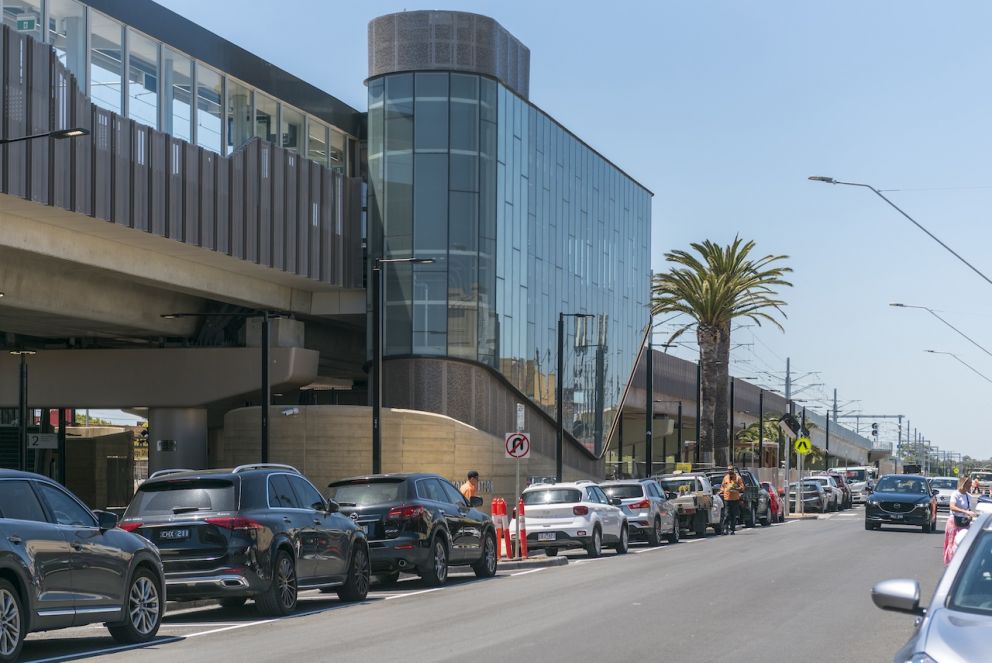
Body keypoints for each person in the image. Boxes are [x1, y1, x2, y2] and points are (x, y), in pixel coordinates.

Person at [944, 476, 978, 565]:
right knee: (952, 543)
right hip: (954, 521)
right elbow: (952, 507)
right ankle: (951, 564)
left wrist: (970, 515)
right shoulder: (955, 494)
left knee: (965, 542)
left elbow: (969, 510)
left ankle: (961, 562)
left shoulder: (969, 496)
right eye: (969, 483)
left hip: (964, 522)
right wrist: (964, 511)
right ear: (964, 483)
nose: (971, 485)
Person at [721, 466, 744, 535]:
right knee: (726, 515)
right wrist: (721, 491)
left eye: (731, 470)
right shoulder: (725, 478)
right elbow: (722, 487)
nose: (730, 471)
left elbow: (742, 487)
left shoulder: (738, 478)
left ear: (733, 470)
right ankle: (725, 529)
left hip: (735, 499)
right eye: (728, 470)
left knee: (733, 515)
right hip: (727, 499)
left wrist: (737, 488)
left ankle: (732, 529)